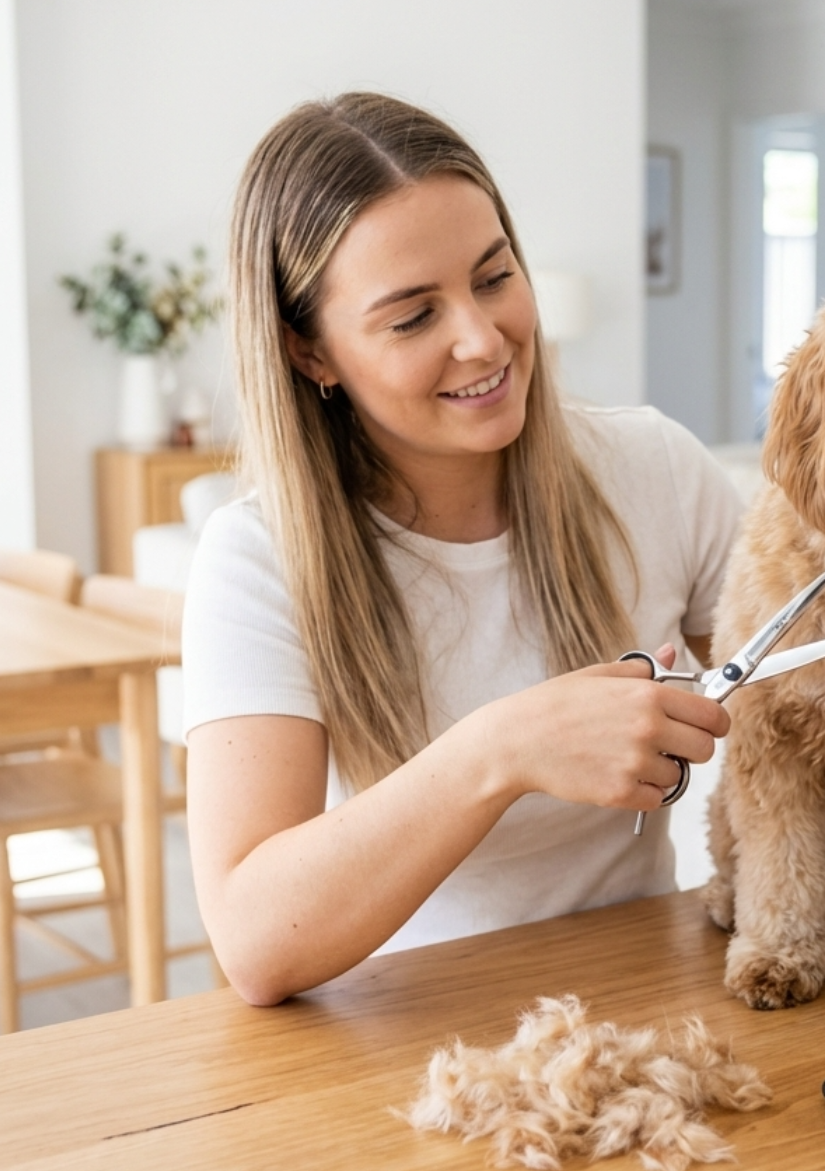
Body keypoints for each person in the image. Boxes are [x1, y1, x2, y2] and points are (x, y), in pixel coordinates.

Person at [184, 93, 742, 1006]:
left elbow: (822, 713)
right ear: (310, 353)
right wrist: (503, 748)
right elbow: (253, 943)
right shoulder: (257, 560)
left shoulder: (654, 467)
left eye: (493, 277)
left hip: (648, 1001)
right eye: (412, 318)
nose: (482, 340)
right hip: (404, 1038)